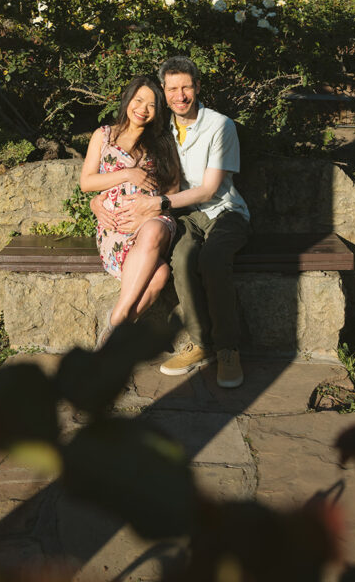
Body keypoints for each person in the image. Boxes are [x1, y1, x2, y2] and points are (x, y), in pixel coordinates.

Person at [96, 55, 250, 388]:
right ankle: (200, 345)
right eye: (172, 88)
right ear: (164, 91)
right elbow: (121, 169)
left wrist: (158, 202)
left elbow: (209, 189)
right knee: (180, 259)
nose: (179, 96)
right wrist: (97, 201)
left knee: (213, 259)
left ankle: (227, 348)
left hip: (224, 211)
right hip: (184, 216)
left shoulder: (220, 126)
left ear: (197, 88)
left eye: (186, 88)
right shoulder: (160, 129)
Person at [80, 75, 180, 346]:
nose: (143, 109)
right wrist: (127, 174)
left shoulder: (162, 142)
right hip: (115, 228)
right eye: (139, 100)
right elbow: (87, 182)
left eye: (151, 105)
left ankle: (117, 319)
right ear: (128, 99)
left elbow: (173, 190)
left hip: (154, 220)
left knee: (154, 230)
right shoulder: (104, 136)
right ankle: (120, 337)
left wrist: (150, 211)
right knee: (160, 275)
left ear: (158, 111)